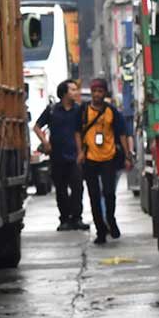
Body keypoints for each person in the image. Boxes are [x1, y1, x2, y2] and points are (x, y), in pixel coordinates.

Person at [80, 78, 132, 244]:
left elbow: (122, 134)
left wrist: (127, 155)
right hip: (89, 160)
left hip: (108, 159)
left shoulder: (112, 112)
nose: (96, 94)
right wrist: (80, 152)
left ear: (104, 93)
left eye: (100, 91)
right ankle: (100, 231)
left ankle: (111, 219)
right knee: (94, 197)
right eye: (94, 91)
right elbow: (76, 132)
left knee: (109, 193)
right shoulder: (83, 111)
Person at [34, 79, 89, 232]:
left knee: (78, 187)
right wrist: (45, 142)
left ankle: (77, 218)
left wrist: (81, 152)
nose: (75, 92)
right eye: (72, 90)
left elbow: (80, 132)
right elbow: (37, 127)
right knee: (61, 189)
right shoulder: (52, 110)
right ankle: (64, 219)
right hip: (57, 156)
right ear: (64, 93)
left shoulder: (78, 110)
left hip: (74, 156)